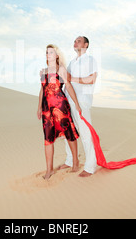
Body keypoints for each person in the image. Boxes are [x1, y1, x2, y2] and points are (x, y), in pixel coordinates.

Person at [37, 44, 82, 180]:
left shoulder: (61, 69)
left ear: (56, 55)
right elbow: (42, 90)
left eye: (51, 52)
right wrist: (39, 107)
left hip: (60, 106)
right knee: (48, 138)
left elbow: (68, 86)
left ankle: (75, 162)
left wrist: (77, 104)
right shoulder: (43, 71)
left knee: (69, 134)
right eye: (46, 52)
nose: (48, 54)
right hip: (46, 109)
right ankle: (49, 169)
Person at [61, 36, 98, 177]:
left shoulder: (90, 60)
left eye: (79, 41)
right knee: (68, 132)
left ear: (86, 45)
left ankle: (90, 166)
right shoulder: (72, 62)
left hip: (82, 101)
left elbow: (91, 79)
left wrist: (72, 79)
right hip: (68, 100)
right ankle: (70, 161)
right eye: (74, 41)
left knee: (85, 134)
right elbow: (64, 78)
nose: (75, 42)